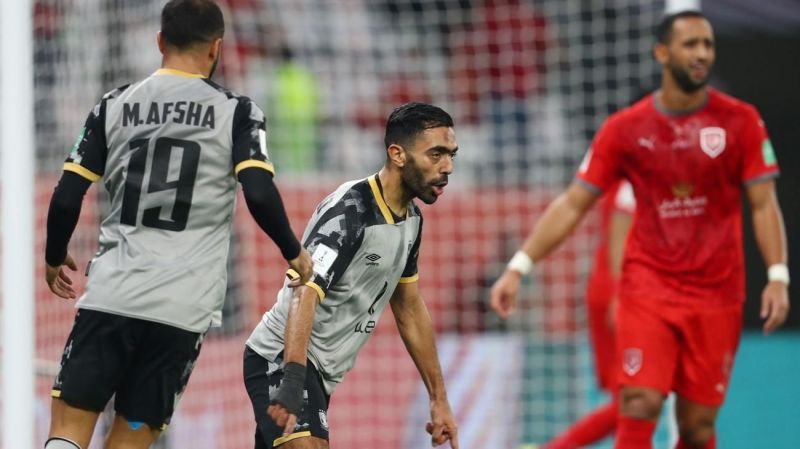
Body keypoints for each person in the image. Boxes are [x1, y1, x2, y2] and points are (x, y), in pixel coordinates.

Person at [490, 10, 789, 449]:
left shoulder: (741, 122)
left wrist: (778, 274)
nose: (702, 53)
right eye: (691, 45)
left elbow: (764, 203)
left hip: (717, 293)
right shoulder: (625, 130)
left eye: (708, 44)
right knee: (638, 402)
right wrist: (520, 265)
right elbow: (574, 203)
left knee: (698, 426)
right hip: (648, 287)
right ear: (662, 53)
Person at [43, 1, 313, 448]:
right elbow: (260, 193)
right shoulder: (237, 112)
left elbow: (67, 196)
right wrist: (293, 251)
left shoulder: (114, 105)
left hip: (114, 293)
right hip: (180, 309)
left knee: (69, 428)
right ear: (217, 48)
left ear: (159, 42)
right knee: (131, 435)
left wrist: (55, 256)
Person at [243, 102, 460, 449]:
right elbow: (305, 290)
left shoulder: (411, 220)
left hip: (320, 374)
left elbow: (409, 309)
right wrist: (294, 377)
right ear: (398, 154)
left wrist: (439, 398)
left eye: (451, 155)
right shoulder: (351, 211)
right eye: (436, 154)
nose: (447, 167)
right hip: (282, 356)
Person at [543, 181, 634, 449]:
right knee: (634, 400)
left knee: (634, 402)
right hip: (619, 293)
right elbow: (621, 226)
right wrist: (620, 293)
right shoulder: (632, 177)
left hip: (618, 290)